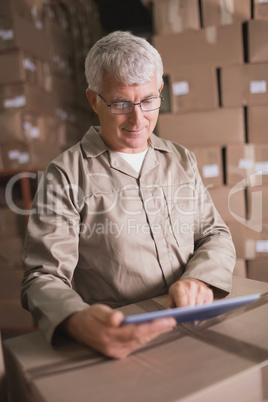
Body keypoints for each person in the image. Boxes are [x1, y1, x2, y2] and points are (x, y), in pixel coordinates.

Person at [21, 31, 236, 359]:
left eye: (149, 100)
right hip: (123, 336)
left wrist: (200, 280)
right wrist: (76, 319)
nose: (139, 119)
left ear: (160, 89)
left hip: (193, 324)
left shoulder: (180, 160)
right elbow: (42, 276)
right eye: (121, 103)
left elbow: (214, 234)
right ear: (94, 100)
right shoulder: (65, 174)